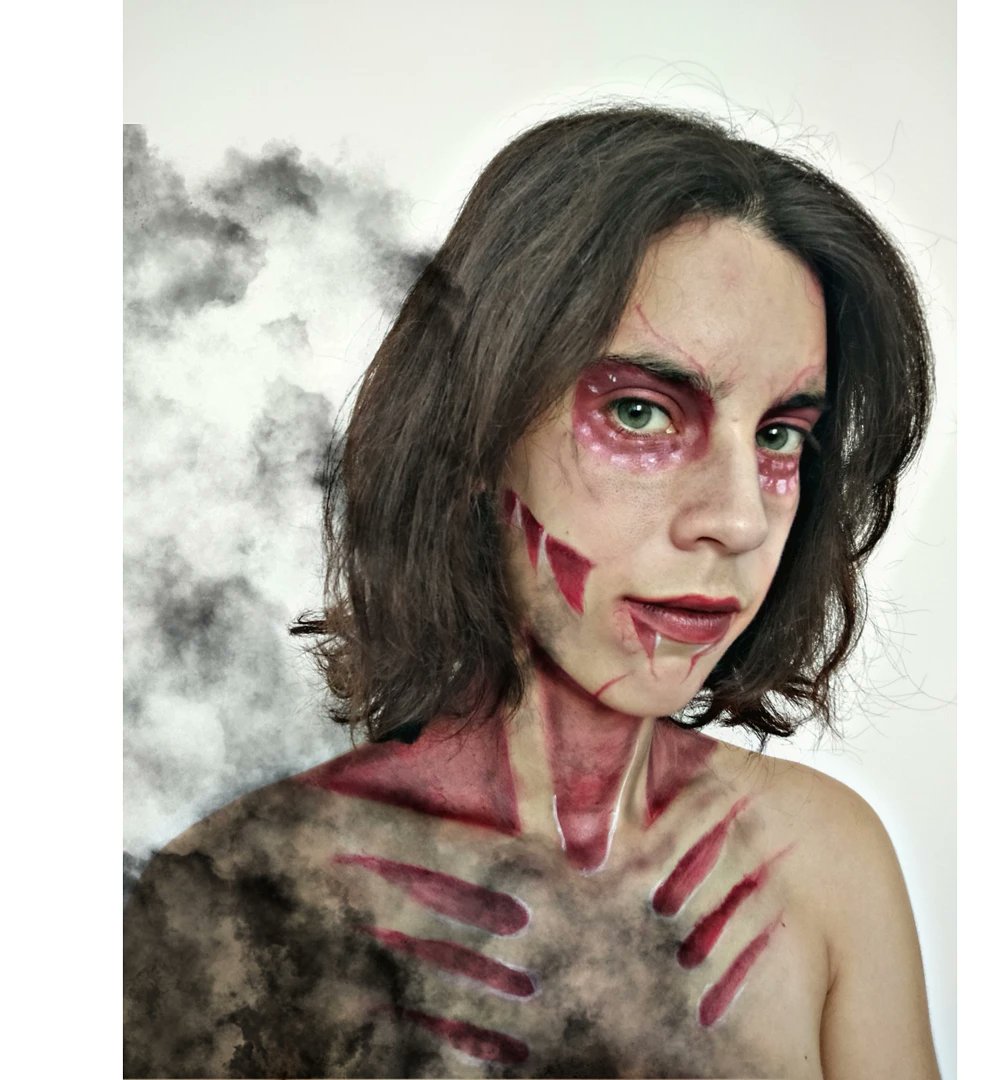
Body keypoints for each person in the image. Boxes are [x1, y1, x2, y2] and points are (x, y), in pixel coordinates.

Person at [123, 105, 940, 1079]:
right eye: (641, 413)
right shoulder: (234, 905)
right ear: (474, 432)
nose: (738, 518)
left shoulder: (824, 862)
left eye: (777, 435)